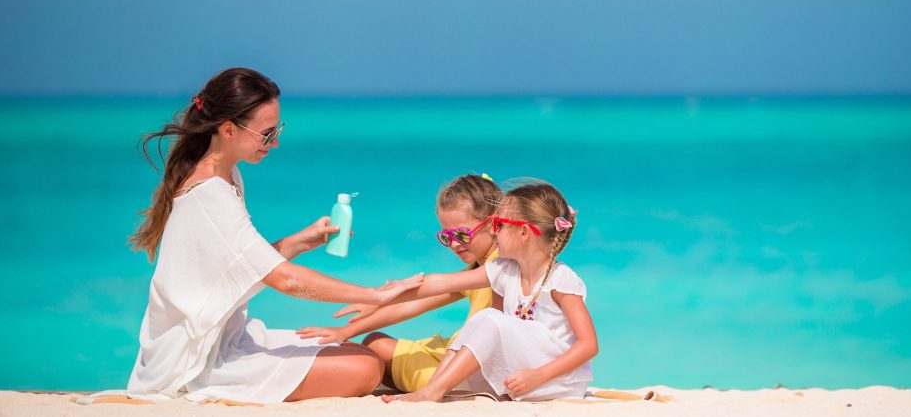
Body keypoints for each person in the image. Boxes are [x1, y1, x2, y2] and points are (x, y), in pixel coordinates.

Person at [125, 67, 422, 403]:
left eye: (277, 130)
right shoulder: (210, 193)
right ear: (228, 129)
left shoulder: (227, 174)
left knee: (358, 353)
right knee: (364, 368)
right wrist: (375, 296)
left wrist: (297, 242)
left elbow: (239, 265)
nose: (276, 142)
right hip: (196, 361)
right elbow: (284, 280)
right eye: (267, 134)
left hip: (226, 337)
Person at [381, 182, 597, 402]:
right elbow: (441, 283)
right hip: (522, 373)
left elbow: (588, 345)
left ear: (523, 233)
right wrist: (378, 296)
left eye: (500, 224)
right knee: (480, 321)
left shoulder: (561, 279)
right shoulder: (504, 271)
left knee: (489, 318)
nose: (493, 231)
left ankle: (433, 391)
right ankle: (435, 388)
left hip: (556, 380)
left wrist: (537, 376)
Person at [296, 173, 502, 392]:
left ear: (493, 223)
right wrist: (350, 327)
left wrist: (374, 300)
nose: (454, 244)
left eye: (461, 235)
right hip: (455, 349)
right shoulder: (477, 268)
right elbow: (415, 304)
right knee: (373, 341)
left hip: (467, 366)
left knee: (370, 353)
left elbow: (434, 284)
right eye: (446, 237)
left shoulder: (500, 265)